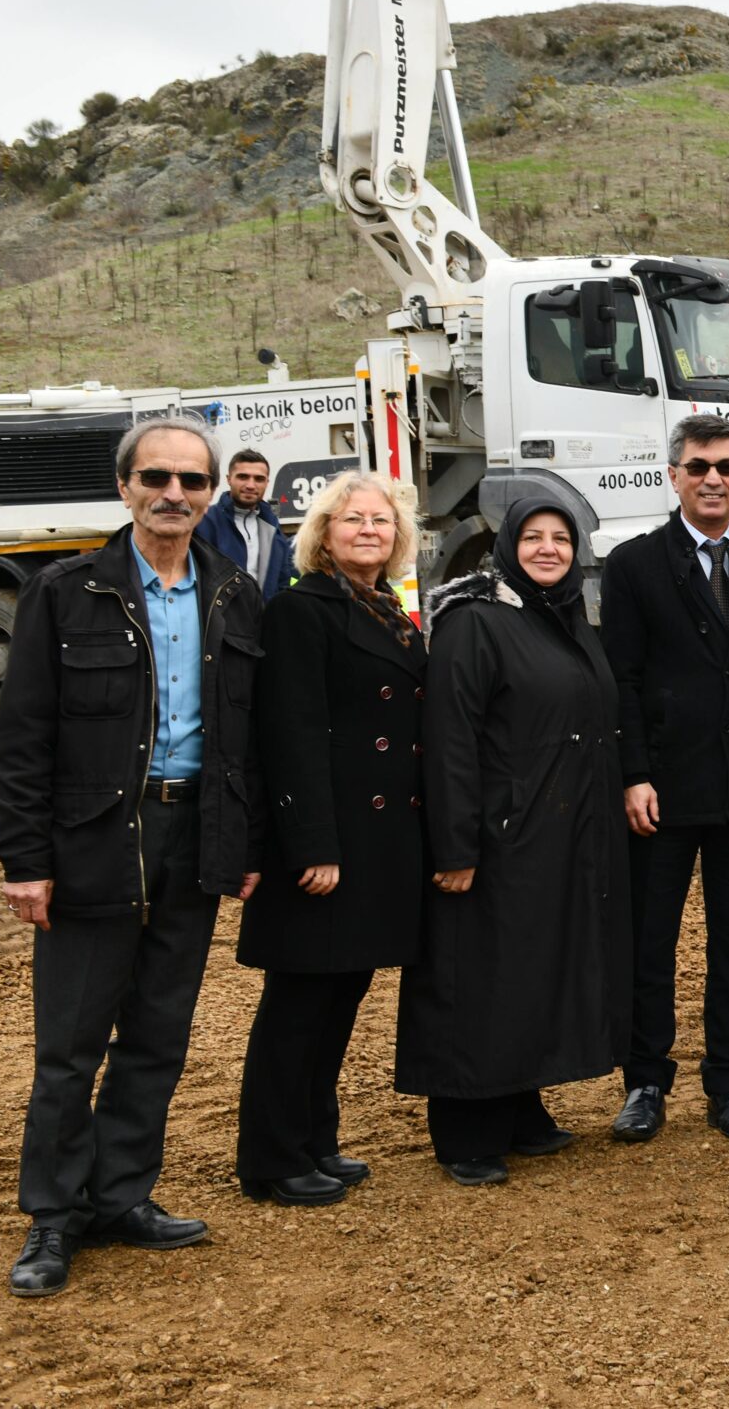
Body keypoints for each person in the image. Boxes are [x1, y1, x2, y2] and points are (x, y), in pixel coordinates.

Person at [0, 414, 265, 1297]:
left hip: (193, 839)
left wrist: (241, 838)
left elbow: (245, 737)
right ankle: (53, 1216)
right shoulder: (66, 591)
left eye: (190, 480)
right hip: (93, 840)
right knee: (70, 1046)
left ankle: (121, 1194)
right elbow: (23, 737)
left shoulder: (234, 591)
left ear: (212, 491)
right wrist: (24, 859)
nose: (173, 494)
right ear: (125, 487)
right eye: (156, 478)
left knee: (157, 1036)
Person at [399, 501, 632, 1185]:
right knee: (480, 974)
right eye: (533, 538)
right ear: (505, 549)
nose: (549, 549)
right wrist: (455, 846)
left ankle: (520, 1103)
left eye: (562, 538)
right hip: (495, 834)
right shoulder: (475, 624)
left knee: (534, 968)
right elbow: (450, 742)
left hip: (558, 832)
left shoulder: (564, 622)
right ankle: (465, 1129)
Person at [232, 473, 427, 1206]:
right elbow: (291, 736)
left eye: (381, 520)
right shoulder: (299, 610)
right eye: (352, 520)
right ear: (324, 532)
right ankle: (271, 1157)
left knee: (341, 995)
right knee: (299, 1002)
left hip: (373, 842)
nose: (368, 530)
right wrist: (313, 843)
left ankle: (315, 1138)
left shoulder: (387, 609)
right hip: (325, 845)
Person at [599, 415, 729, 1147]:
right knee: (650, 941)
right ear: (672, 474)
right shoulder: (636, 564)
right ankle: (644, 1079)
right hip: (663, 791)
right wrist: (633, 772)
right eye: (699, 465)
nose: (714, 478)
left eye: (728, 467)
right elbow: (624, 678)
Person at [197, 447, 297, 602]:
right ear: (229, 479)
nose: (251, 485)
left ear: (267, 483)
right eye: (243, 477)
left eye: (259, 479)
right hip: (221, 623)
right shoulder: (205, 522)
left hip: (265, 621)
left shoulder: (271, 526)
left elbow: (284, 579)